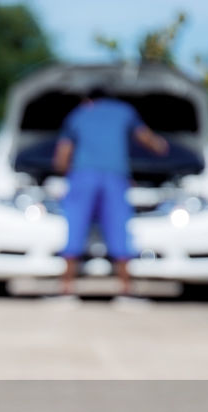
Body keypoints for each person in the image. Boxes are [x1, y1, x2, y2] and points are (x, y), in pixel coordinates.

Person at [53, 88, 169, 298]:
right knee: (119, 228)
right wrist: (163, 148)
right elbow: (147, 138)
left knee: (75, 226)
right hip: (115, 176)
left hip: (83, 175)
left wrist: (60, 171)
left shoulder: (79, 114)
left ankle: (66, 286)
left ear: (88, 99)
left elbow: (63, 153)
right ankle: (125, 288)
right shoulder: (124, 111)